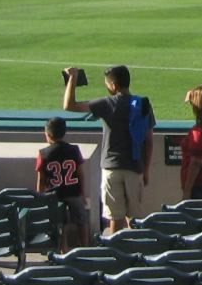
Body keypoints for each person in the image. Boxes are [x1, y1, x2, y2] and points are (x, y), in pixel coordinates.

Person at [62, 64, 153, 233]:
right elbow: (148, 141)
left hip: (111, 166)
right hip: (135, 167)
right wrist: (146, 170)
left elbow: (69, 105)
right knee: (135, 218)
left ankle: (115, 252)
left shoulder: (107, 103)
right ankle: (136, 250)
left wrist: (72, 78)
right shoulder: (143, 104)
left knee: (114, 217)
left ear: (113, 85)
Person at [34, 117, 89, 251]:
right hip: (73, 191)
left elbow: (41, 179)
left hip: (55, 194)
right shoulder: (74, 150)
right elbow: (80, 174)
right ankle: (85, 247)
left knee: (60, 224)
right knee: (81, 221)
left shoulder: (43, 153)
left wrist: (40, 196)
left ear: (48, 134)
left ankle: (64, 250)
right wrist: (82, 193)